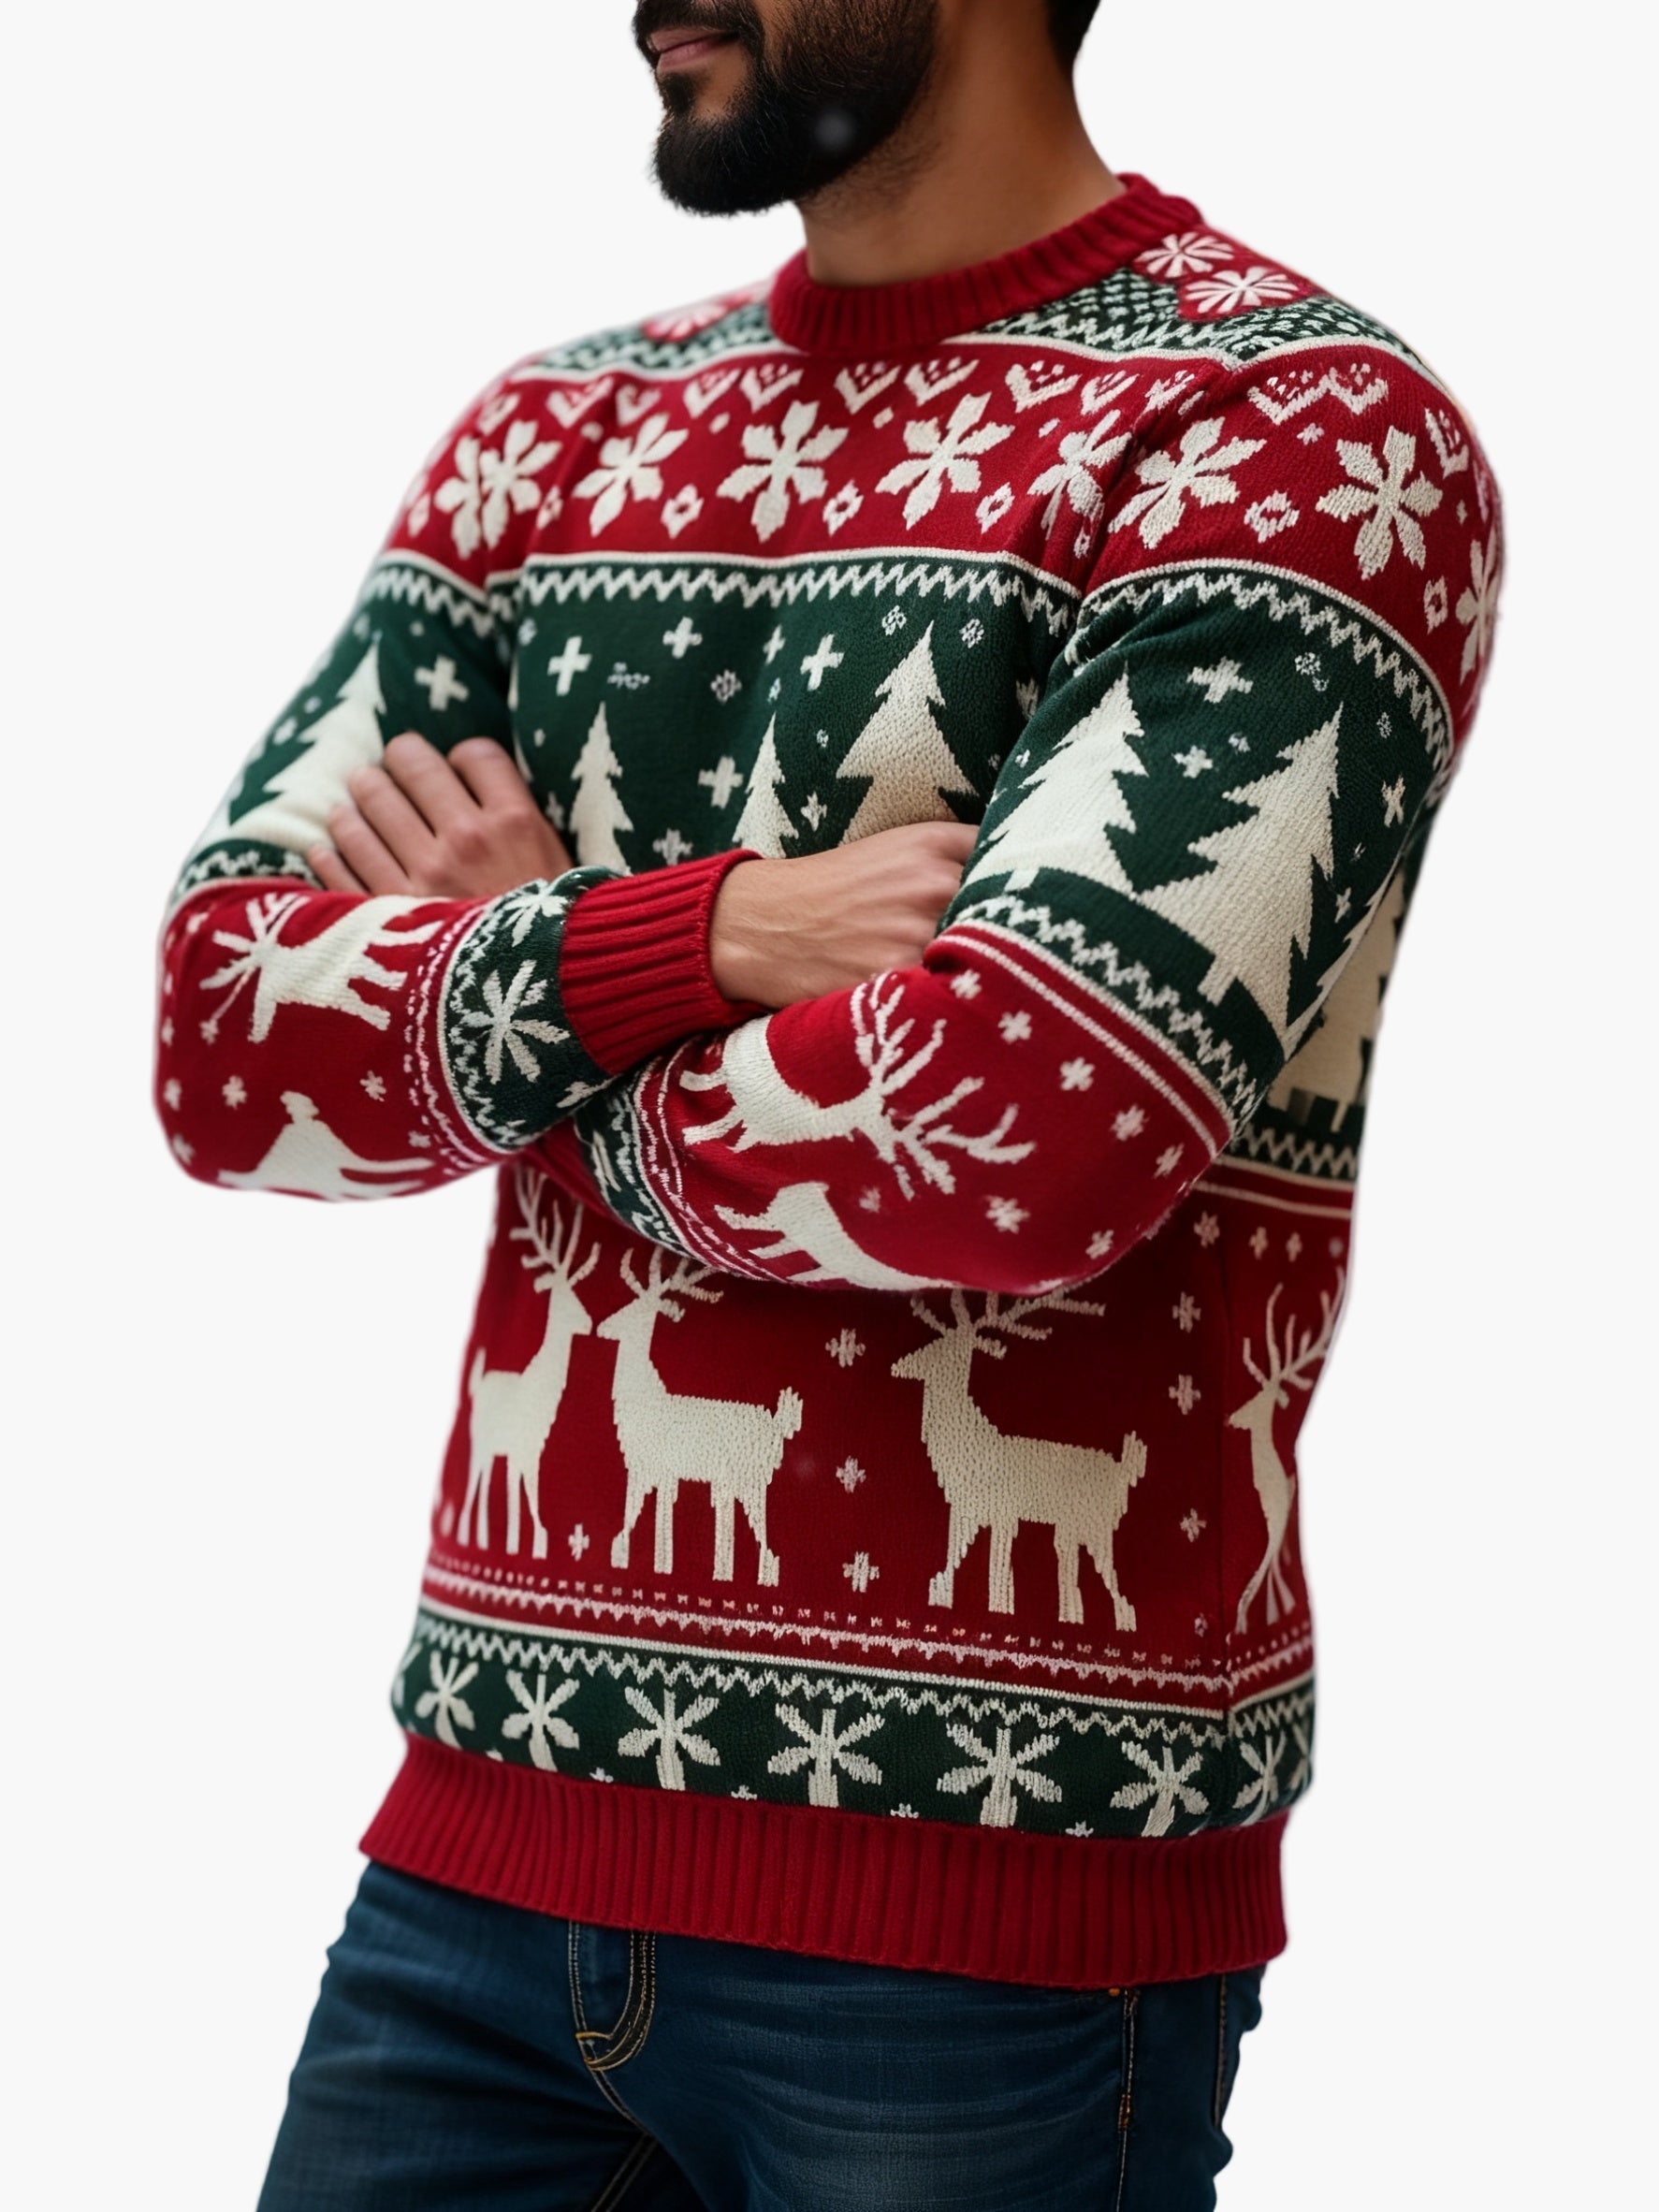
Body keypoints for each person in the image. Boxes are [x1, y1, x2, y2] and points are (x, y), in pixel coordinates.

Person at [155, 3, 1500, 2204]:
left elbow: (1022, 1137)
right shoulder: (546, 443)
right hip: (474, 1861)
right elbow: (221, 1047)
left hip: (988, 1925)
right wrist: (697, 940)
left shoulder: (1285, 434)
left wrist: (521, 979)